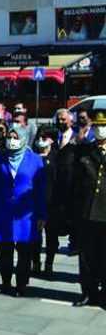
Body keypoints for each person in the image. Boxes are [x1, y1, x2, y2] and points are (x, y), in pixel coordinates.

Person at [0, 124, 46, 297]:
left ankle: (21, 285)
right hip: (3, 211)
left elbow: (41, 189)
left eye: (16, 138)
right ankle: (5, 283)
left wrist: (42, 214)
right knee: (5, 250)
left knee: (24, 251)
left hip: (26, 213)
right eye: (9, 137)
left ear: (24, 139)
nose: (12, 141)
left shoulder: (35, 160)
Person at [70, 110, 106, 307]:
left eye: (104, 126)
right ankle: (88, 293)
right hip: (87, 211)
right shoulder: (85, 151)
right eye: (98, 126)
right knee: (86, 257)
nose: (101, 129)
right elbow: (76, 183)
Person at [35, 126, 74, 277]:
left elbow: (61, 181)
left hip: (52, 204)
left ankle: (49, 265)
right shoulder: (32, 157)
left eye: (44, 138)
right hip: (34, 203)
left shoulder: (57, 158)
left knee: (51, 238)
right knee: (35, 238)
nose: (41, 141)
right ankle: (35, 263)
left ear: (52, 140)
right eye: (39, 137)